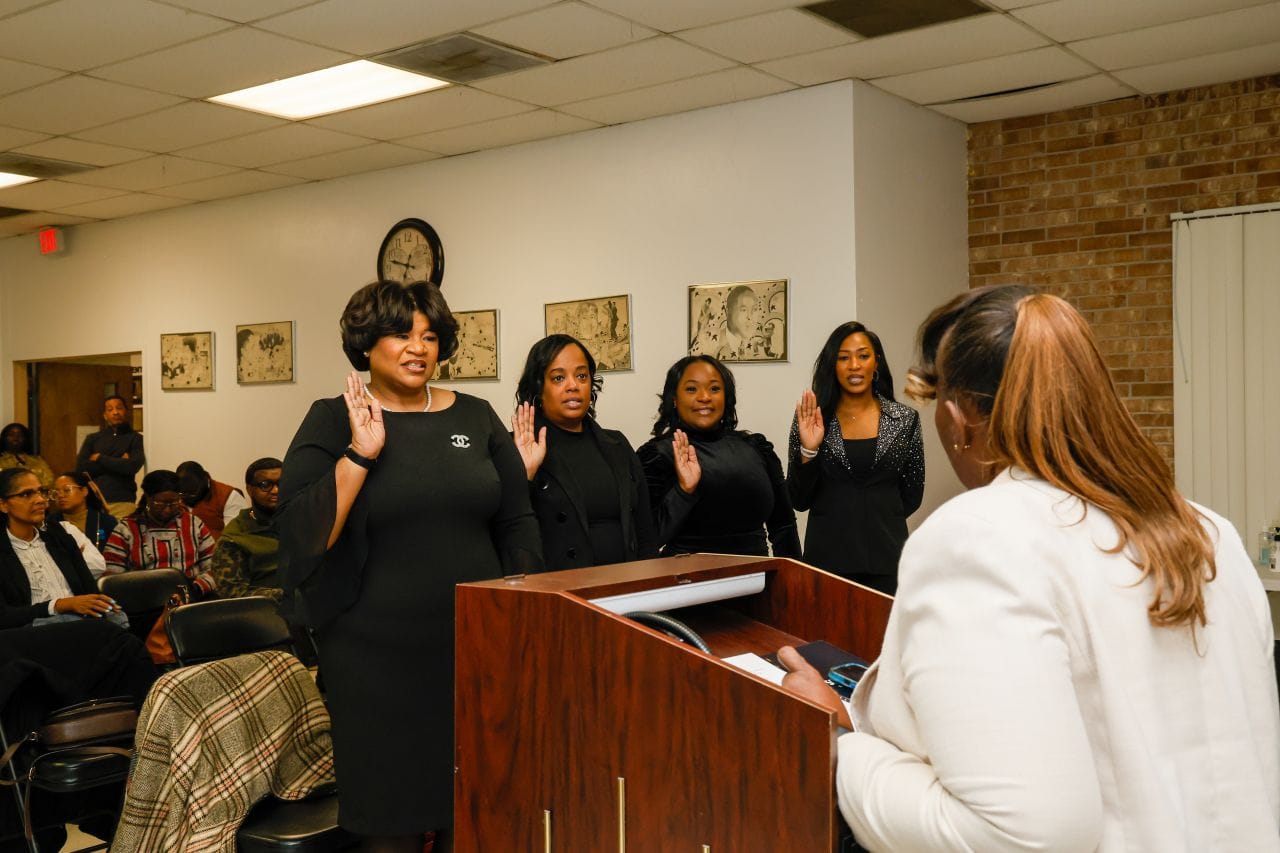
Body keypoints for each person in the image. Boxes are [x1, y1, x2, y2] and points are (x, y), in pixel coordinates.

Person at [778, 286, 1280, 851]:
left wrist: (840, 743)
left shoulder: (978, 538)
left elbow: (1013, 834)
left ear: (958, 420)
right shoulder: (1210, 533)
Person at [278, 280, 541, 852]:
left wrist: (513, 609)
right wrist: (360, 453)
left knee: (473, 808)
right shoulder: (332, 420)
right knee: (390, 819)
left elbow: (517, 519)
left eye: (429, 336)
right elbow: (301, 537)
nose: (418, 347)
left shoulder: (475, 415)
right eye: (400, 334)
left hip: (472, 650)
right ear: (366, 344)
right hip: (374, 660)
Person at [787, 321, 924, 596]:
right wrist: (809, 450)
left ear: (876, 363)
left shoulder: (904, 420)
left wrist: (877, 517)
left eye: (863, 356)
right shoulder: (812, 419)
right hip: (827, 562)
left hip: (888, 560)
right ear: (832, 366)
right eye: (843, 358)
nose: (854, 365)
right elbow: (798, 499)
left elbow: (911, 495)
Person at [512, 335, 657, 570]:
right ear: (539, 387)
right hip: (559, 586)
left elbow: (644, 530)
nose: (573, 386)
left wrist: (651, 582)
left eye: (581, 376)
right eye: (558, 378)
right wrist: (525, 475)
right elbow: (509, 529)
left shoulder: (617, 443)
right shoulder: (520, 446)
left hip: (627, 582)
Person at [637, 355, 801, 558]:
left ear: (726, 397)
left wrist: (795, 576)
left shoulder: (757, 448)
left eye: (714, 388)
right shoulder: (656, 455)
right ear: (674, 399)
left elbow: (784, 525)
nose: (704, 397)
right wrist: (683, 491)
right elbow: (646, 541)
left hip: (757, 574)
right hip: (687, 576)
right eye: (691, 389)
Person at [0, 468, 120, 628]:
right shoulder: (5, 548)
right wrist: (60, 605)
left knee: (118, 617)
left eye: (41, 492)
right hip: (33, 630)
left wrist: (98, 605)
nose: (40, 500)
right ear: (3, 504)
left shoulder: (59, 535)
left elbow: (89, 589)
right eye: (26, 494)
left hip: (81, 622)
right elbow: (4, 617)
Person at [101, 470, 216, 600]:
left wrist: (195, 589)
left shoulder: (194, 525)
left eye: (173, 503)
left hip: (191, 598)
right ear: (147, 498)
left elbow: (214, 567)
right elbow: (112, 577)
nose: (167, 509)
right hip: (142, 601)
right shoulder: (126, 529)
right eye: (160, 503)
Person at [208, 457, 284, 603]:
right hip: (268, 611)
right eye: (265, 485)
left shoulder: (299, 520)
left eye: (281, 483)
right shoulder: (235, 538)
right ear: (250, 490)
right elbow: (232, 592)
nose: (276, 490)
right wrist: (286, 595)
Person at [76, 395, 145, 519]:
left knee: (122, 532)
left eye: (119, 408)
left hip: (123, 502)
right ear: (105, 415)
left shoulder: (136, 438)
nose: (115, 412)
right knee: (98, 532)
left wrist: (100, 458)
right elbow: (81, 469)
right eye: (110, 409)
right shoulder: (93, 438)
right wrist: (119, 461)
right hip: (94, 502)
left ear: (126, 411)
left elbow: (133, 466)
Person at [46, 470, 118, 555]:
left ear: (84, 491)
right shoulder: (49, 523)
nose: (60, 495)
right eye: (56, 492)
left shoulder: (106, 521)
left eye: (67, 490)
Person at [176, 460, 248, 539]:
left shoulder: (229, 496)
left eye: (194, 492)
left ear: (206, 478)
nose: (189, 497)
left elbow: (234, 536)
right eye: (183, 494)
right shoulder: (175, 498)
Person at [0, 422, 55, 489]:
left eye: (20, 435)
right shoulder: (1, 461)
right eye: (11, 435)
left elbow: (49, 481)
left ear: (25, 439)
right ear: (4, 438)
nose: (16, 438)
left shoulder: (37, 461)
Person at [717, 285, 756, 360]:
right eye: (743, 310)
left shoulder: (757, 345)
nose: (750, 317)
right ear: (727, 312)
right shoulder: (714, 344)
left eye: (754, 309)